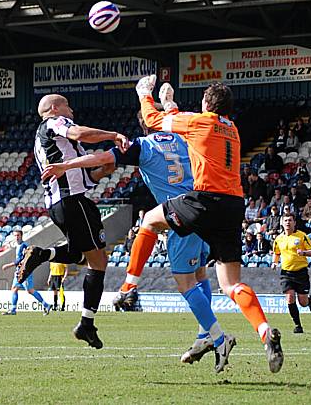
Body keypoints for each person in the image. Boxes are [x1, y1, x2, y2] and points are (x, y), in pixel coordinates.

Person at [41, 96, 229, 371]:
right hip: (201, 208)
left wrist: (66, 166)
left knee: (184, 282)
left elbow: (104, 157)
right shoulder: (182, 138)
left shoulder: (144, 145)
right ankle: (203, 335)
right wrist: (168, 101)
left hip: (179, 216)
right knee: (200, 275)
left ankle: (219, 338)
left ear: (143, 126)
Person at [124, 75, 284, 373]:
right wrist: (171, 103)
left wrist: (144, 93)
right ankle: (264, 331)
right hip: (234, 204)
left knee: (149, 220)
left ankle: (129, 284)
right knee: (231, 284)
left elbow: (153, 119)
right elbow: (183, 123)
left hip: (204, 199)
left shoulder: (200, 122)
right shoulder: (232, 128)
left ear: (207, 104)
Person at [17, 93, 130, 349]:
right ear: (55, 108)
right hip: (72, 201)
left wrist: (105, 168)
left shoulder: (49, 141)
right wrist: (113, 135)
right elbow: (80, 134)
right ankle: (86, 324)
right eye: (67, 105)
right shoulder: (53, 124)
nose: (72, 110)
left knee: (83, 255)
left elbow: (88, 175)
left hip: (63, 202)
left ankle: (42, 255)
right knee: (98, 260)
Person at [272, 213, 311, 333]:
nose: (288, 222)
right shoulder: (278, 238)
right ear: (282, 223)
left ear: (294, 222)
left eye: (290, 220)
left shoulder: (301, 236)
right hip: (286, 273)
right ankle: (298, 325)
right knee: (290, 297)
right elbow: (276, 253)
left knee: (302, 303)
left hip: (301, 273)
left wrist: (304, 253)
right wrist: (274, 263)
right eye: (285, 220)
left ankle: (309, 300)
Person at [2, 230, 52, 316]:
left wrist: (9, 265)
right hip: (19, 271)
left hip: (25, 271)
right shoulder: (18, 246)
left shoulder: (24, 246)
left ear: (21, 236)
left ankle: (46, 305)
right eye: (15, 235)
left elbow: (21, 259)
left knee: (30, 290)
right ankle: (13, 309)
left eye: (18, 235)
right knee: (14, 288)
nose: (16, 237)